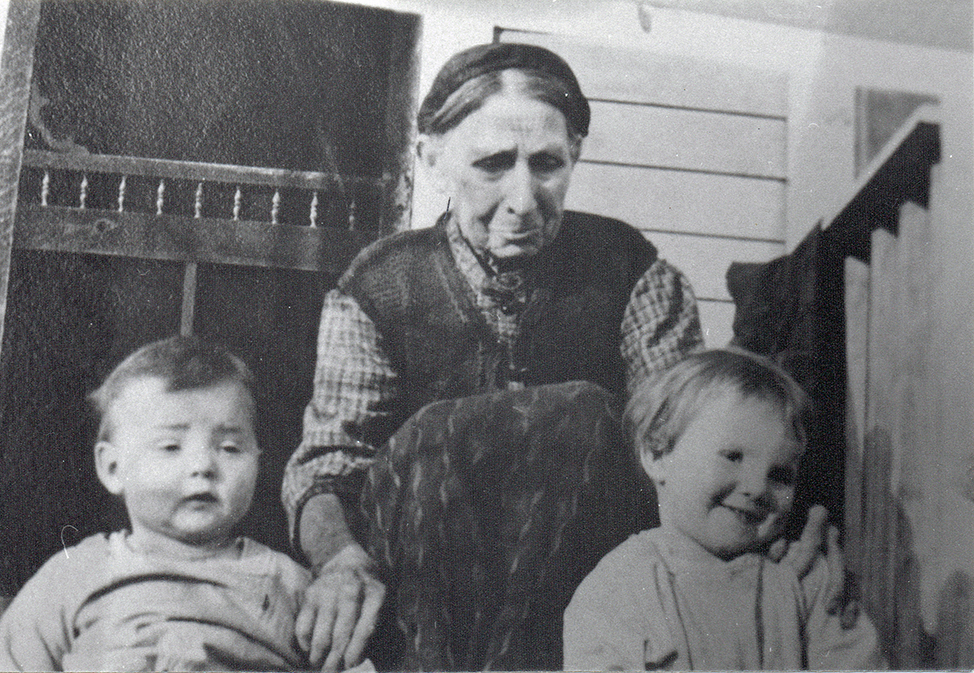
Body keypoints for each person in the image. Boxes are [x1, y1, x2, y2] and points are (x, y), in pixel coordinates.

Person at [282, 42, 838, 671]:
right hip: (430, 590)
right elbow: (328, 467)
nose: (524, 197)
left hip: (586, 586)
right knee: (438, 433)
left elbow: (684, 438)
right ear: (430, 157)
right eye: (493, 163)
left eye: (546, 164)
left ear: (575, 154)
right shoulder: (378, 287)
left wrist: (775, 542)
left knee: (587, 416)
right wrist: (338, 559)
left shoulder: (631, 271)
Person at [0, 336, 371, 672]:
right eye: (171, 447)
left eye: (230, 448)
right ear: (113, 467)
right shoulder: (75, 575)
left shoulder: (288, 585)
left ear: (258, 460)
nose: (203, 466)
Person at [563, 348, 882, 671]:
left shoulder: (806, 579)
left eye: (780, 476)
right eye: (732, 456)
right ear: (658, 454)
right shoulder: (619, 589)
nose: (757, 488)